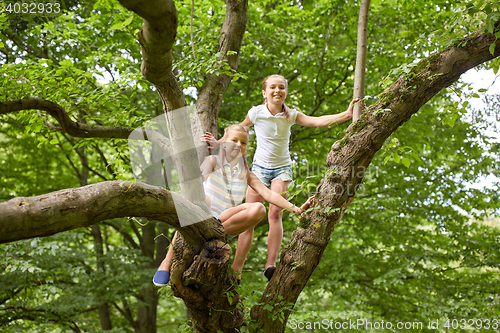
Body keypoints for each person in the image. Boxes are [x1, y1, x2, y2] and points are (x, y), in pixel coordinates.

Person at [202, 74, 358, 281]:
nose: (277, 91)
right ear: (264, 92)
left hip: (281, 169)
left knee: (275, 213)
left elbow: (317, 121)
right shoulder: (256, 113)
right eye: (273, 87)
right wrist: (218, 141)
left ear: (285, 92)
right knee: (250, 220)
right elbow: (237, 132)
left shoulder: (290, 115)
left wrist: (346, 115)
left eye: (282, 88)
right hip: (258, 169)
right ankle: (237, 268)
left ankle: (270, 264)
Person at [153, 124, 314, 286]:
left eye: (243, 143)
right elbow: (195, 185)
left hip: (221, 220)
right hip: (201, 212)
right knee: (206, 199)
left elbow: (269, 194)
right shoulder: (213, 161)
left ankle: (215, 237)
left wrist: (295, 208)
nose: (238, 145)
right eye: (234, 140)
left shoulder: (246, 174)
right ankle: (167, 261)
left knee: (259, 208)